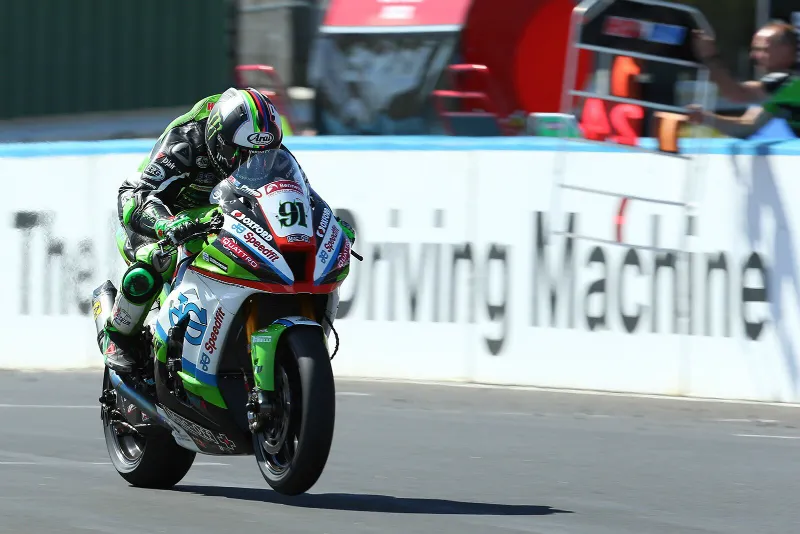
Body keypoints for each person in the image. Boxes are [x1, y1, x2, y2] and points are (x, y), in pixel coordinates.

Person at [98, 87, 355, 374]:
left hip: (220, 213)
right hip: (159, 209)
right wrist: (166, 225)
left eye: (262, 154)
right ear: (219, 141)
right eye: (243, 154)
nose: (253, 162)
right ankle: (119, 337)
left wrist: (326, 226)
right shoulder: (185, 142)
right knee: (158, 258)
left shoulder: (270, 149)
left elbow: (299, 196)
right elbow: (142, 195)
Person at [687, 21, 800, 138]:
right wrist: (704, 118)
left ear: (786, 50)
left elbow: (737, 94)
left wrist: (710, 57)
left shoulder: (790, 82)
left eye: (762, 49)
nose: (753, 55)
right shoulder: (780, 91)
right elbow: (746, 126)